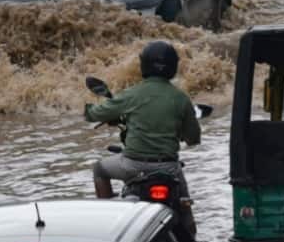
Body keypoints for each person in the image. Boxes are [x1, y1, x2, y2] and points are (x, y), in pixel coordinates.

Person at [84, 41, 201, 200]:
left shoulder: (132, 94)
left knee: (99, 169)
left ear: (144, 64)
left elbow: (94, 114)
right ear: (173, 66)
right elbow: (193, 139)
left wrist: (88, 109)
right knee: (185, 206)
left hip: (133, 166)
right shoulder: (181, 99)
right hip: (169, 168)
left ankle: (109, 210)